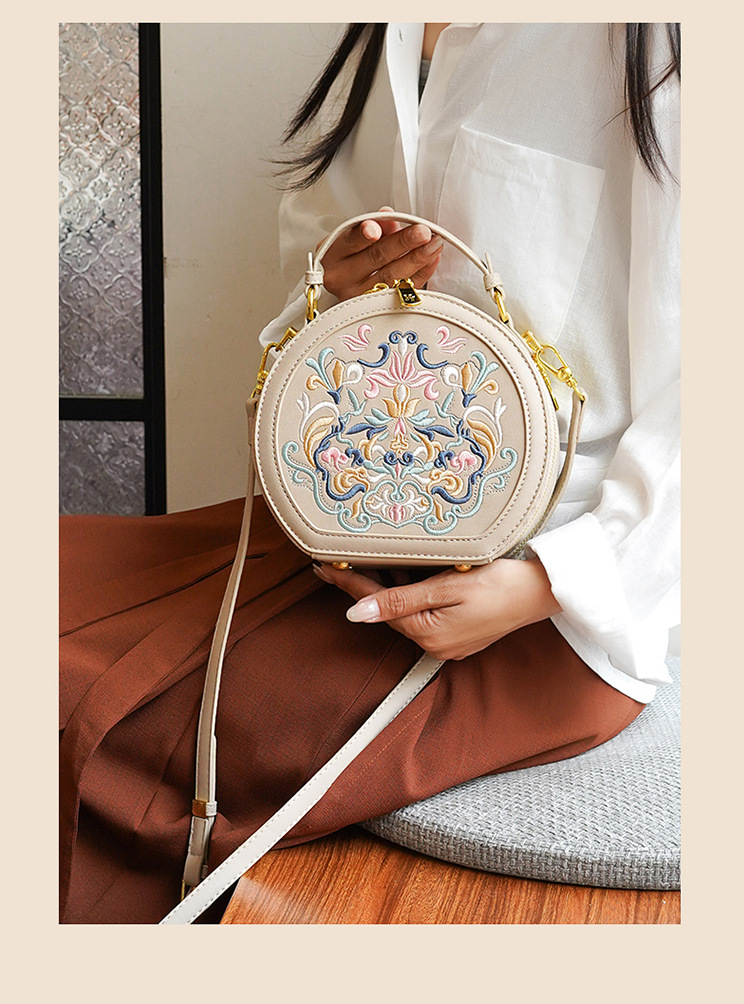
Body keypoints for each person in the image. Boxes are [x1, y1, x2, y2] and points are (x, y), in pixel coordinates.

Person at [59, 22, 680, 924]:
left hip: (537, 613)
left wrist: (551, 583)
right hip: (343, 526)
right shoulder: (382, 28)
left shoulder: (658, 45)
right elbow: (320, 260)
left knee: (75, 715)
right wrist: (340, 286)